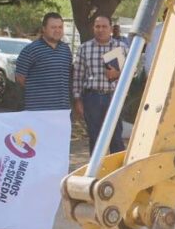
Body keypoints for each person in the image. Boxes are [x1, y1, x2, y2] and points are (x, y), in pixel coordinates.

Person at [72, 15, 129, 154]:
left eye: (104, 26)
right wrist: (77, 100)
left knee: (116, 137)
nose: (101, 30)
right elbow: (78, 76)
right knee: (95, 138)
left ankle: (117, 173)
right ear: (93, 28)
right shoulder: (84, 48)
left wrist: (117, 74)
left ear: (110, 28)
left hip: (114, 97)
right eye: (97, 27)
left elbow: (132, 72)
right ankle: (96, 172)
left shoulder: (120, 47)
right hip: (92, 98)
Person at [16, 12, 72, 112]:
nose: (57, 30)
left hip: (62, 110)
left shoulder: (66, 50)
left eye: (60, 27)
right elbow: (20, 79)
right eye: (53, 27)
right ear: (44, 29)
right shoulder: (30, 50)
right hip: (37, 110)